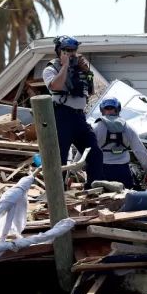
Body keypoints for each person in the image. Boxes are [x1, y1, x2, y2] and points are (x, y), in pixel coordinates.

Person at [42, 35, 103, 189]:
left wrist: (85, 71)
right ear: (59, 51)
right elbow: (56, 85)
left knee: (94, 153)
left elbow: (91, 91)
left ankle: (92, 188)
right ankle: (58, 192)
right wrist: (64, 66)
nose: (72, 54)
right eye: (68, 51)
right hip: (62, 116)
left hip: (79, 117)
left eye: (74, 51)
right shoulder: (50, 69)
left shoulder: (79, 68)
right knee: (59, 157)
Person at [91, 97, 147, 189]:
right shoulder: (128, 128)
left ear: (102, 110)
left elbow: (83, 150)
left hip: (101, 170)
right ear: (118, 110)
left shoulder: (95, 127)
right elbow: (140, 151)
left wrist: (73, 171)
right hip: (122, 171)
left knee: (98, 200)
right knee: (125, 199)